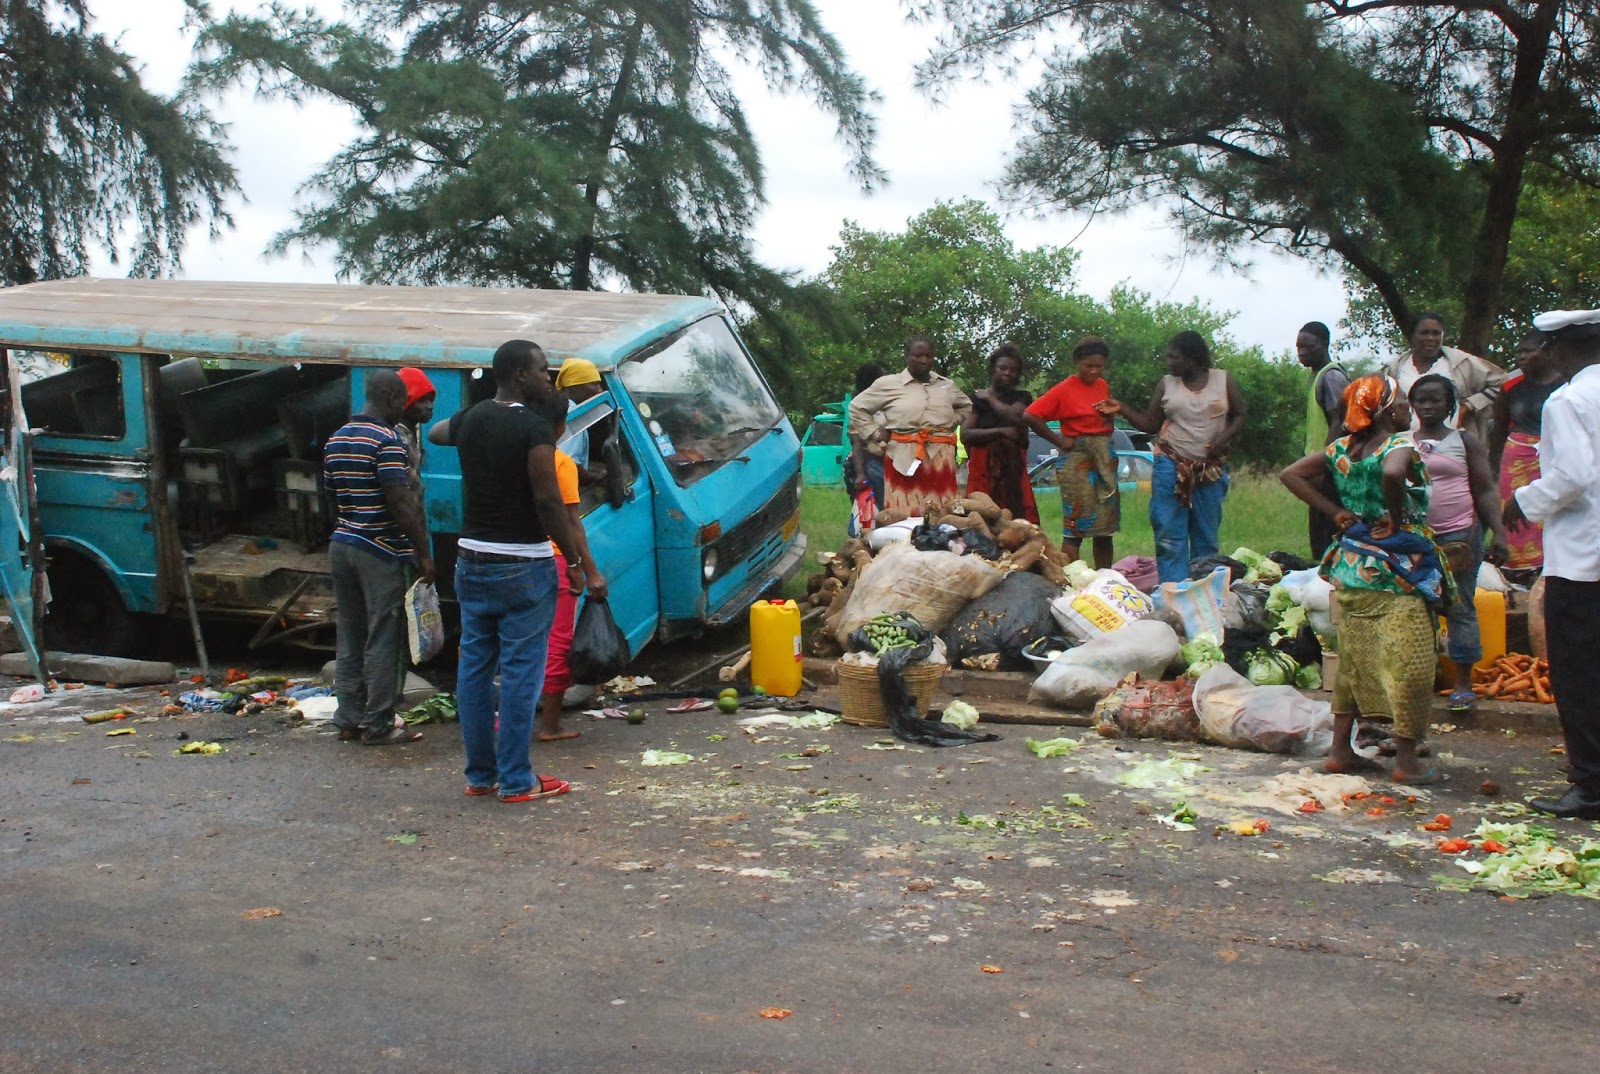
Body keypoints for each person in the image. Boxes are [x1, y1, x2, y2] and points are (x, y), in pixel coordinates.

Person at [427, 339, 588, 803]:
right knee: (521, 671)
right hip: (522, 562)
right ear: (519, 373)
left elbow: (437, 433)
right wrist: (573, 561)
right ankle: (517, 779)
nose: (547, 379)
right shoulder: (534, 429)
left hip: (471, 559)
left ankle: (481, 775)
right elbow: (546, 499)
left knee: (475, 668)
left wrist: (469, 428)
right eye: (541, 371)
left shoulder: (473, 418)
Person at [1280, 375, 1453, 785]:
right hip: (1398, 572)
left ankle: (1342, 750)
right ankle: (1406, 762)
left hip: (1354, 568)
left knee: (1354, 663)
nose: (1408, 410)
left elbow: (1291, 474)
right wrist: (1394, 516)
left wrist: (1334, 512)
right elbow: (1393, 474)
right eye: (1402, 403)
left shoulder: (1341, 450)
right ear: (1385, 409)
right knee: (1410, 664)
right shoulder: (1399, 445)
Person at [1503, 309, 1600, 819]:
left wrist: (1523, 499)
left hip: (1583, 558)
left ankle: (1589, 786)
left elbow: (1573, 475)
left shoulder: (1569, 400)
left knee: (1579, 672)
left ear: (1562, 349)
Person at [324, 370, 433, 745]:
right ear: (391, 399)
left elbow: (332, 498)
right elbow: (401, 502)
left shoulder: (335, 439)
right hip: (381, 549)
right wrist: (423, 553)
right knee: (384, 637)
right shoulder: (387, 441)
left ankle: (348, 717)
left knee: (349, 635)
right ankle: (379, 723)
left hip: (342, 543)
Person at [1112, 331, 1246, 582]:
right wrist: (1121, 408)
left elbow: (1240, 415)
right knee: (1169, 535)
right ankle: (1174, 593)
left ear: (1192, 358)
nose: (1169, 362)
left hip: (1209, 470)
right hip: (1170, 464)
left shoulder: (1222, 380)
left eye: (1174, 357)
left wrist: (1222, 440)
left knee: (1205, 535)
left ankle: (1204, 592)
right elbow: (1150, 424)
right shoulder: (1167, 384)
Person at [1409, 374, 1509, 712]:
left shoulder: (1464, 441)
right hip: (1414, 539)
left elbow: (1484, 489)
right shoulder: (1400, 441)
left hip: (1460, 535)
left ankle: (1463, 683)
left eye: (1435, 399)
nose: (1427, 406)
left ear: (1450, 405)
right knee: (1416, 607)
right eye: (1420, 399)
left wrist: (1499, 532)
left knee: (1459, 606)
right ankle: (1419, 679)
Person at [535, 401, 609, 743]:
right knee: (557, 642)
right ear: (561, 426)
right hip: (553, 558)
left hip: (514, 557)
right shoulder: (560, 463)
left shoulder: (508, 457)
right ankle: (550, 725)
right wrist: (588, 570)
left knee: (517, 641)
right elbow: (571, 525)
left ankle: (507, 718)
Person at [847, 337, 972, 517]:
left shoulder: (946, 385)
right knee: (903, 509)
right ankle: (902, 542)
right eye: (917, 355)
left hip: (941, 456)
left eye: (928, 356)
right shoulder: (888, 384)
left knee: (944, 510)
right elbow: (857, 407)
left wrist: (950, 423)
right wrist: (875, 432)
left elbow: (966, 406)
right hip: (902, 454)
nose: (923, 360)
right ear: (906, 356)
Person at [1026, 336, 1121, 567]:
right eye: (1089, 366)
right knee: (1075, 527)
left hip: (1104, 459)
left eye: (1099, 366)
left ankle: (1105, 580)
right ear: (1077, 363)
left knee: (1105, 529)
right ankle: (1069, 580)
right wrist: (1058, 440)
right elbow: (1030, 415)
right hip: (1077, 461)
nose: (1094, 371)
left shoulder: (1102, 386)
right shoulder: (1064, 389)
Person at [1490, 331, 1564, 577]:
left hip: (1557, 455)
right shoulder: (1511, 387)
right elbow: (1500, 428)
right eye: (1520, 351)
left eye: (1529, 351)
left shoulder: (1567, 384)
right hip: (1518, 458)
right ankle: (1519, 569)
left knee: (1553, 506)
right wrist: (1494, 465)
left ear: (1547, 351)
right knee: (1517, 509)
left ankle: (1551, 563)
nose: (1522, 357)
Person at [1387, 311, 1507, 442]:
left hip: (1454, 441)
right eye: (1424, 333)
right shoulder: (1397, 367)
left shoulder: (1461, 362)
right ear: (1412, 335)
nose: (1430, 338)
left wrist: (1468, 406)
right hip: (1407, 442)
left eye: (1436, 333)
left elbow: (1503, 382)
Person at [961, 342, 1040, 523]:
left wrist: (989, 397)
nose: (1007, 373)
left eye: (1013, 370)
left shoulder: (1022, 397)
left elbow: (1016, 416)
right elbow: (966, 434)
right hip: (983, 467)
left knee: (1019, 516)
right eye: (1002, 368)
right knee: (983, 513)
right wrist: (1000, 431)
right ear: (993, 369)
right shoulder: (976, 400)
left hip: (1013, 466)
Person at [1296, 321, 1350, 559]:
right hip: (1319, 468)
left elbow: (1341, 421)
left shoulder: (1331, 377)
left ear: (1325, 344)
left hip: (1329, 469)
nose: (1302, 352)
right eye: (1298, 347)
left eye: (1308, 346)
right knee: (1319, 536)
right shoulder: (1317, 376)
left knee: (1328, 536)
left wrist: (1325, 461)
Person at [554, 357, 608, 483]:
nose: (599, 390)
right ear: (574, 387)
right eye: (594, 384)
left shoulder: (557, 406)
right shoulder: (572, 416)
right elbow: (568, 465)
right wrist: (600, 478)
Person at [850, 362, 888, 506]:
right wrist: (860, 474)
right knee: (884, 507)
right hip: (876, 463)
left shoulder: (893, 400)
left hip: (900, 460)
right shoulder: (859, 406)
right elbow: (857, 442)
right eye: (882, 377)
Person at [395, 366, 436, 492]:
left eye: (430, 400)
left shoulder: (408, 435)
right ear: (406, 402)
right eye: (422, 400)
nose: (429, 406)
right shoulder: (399, 439)